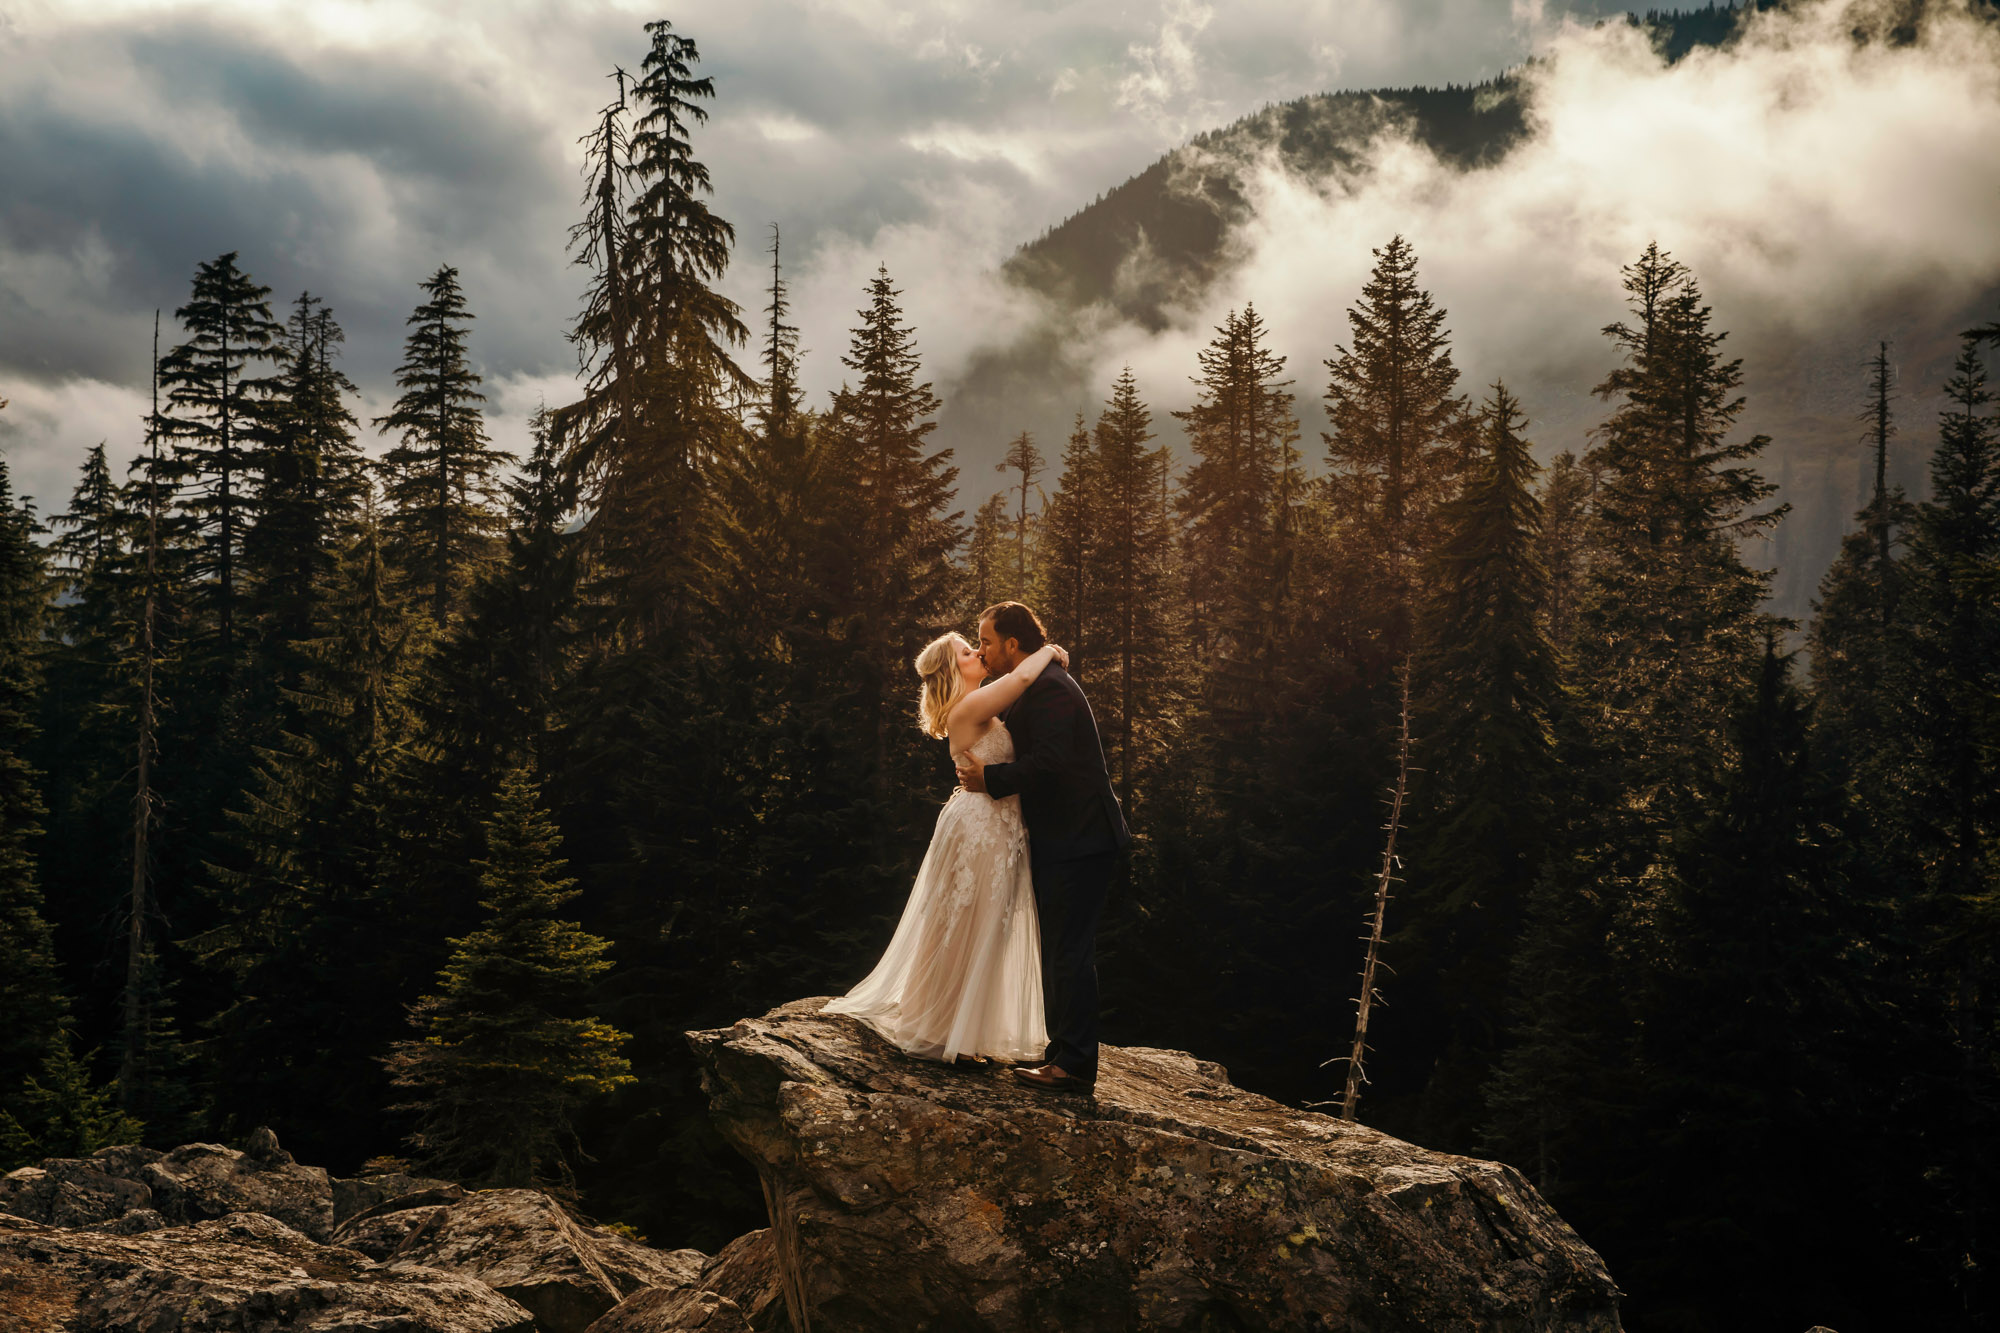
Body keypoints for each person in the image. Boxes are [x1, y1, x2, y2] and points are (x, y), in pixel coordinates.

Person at [823, 630, 1070, 1063]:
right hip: (982, 826)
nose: (977, 652)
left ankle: (959, 1027)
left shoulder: (978, 701)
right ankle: (939, 1028)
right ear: (953, 669)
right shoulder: (971, 706)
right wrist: (1049, 649)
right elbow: (1024, 679)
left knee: (979, 924)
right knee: (965, 924)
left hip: (993, 823)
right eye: (966, 651)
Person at [956, 601, 1129, 1094]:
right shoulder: (1038, 682)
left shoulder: (1051, 689)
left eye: (987, 641)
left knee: (1068, 951)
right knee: (1062, 948)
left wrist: (989, 778)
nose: (983, 649)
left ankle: (1072, 1066)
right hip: (1069, 837)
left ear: (1013, 644)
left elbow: (1049, 762)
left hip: (1081, 838)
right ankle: (1063, 1054)